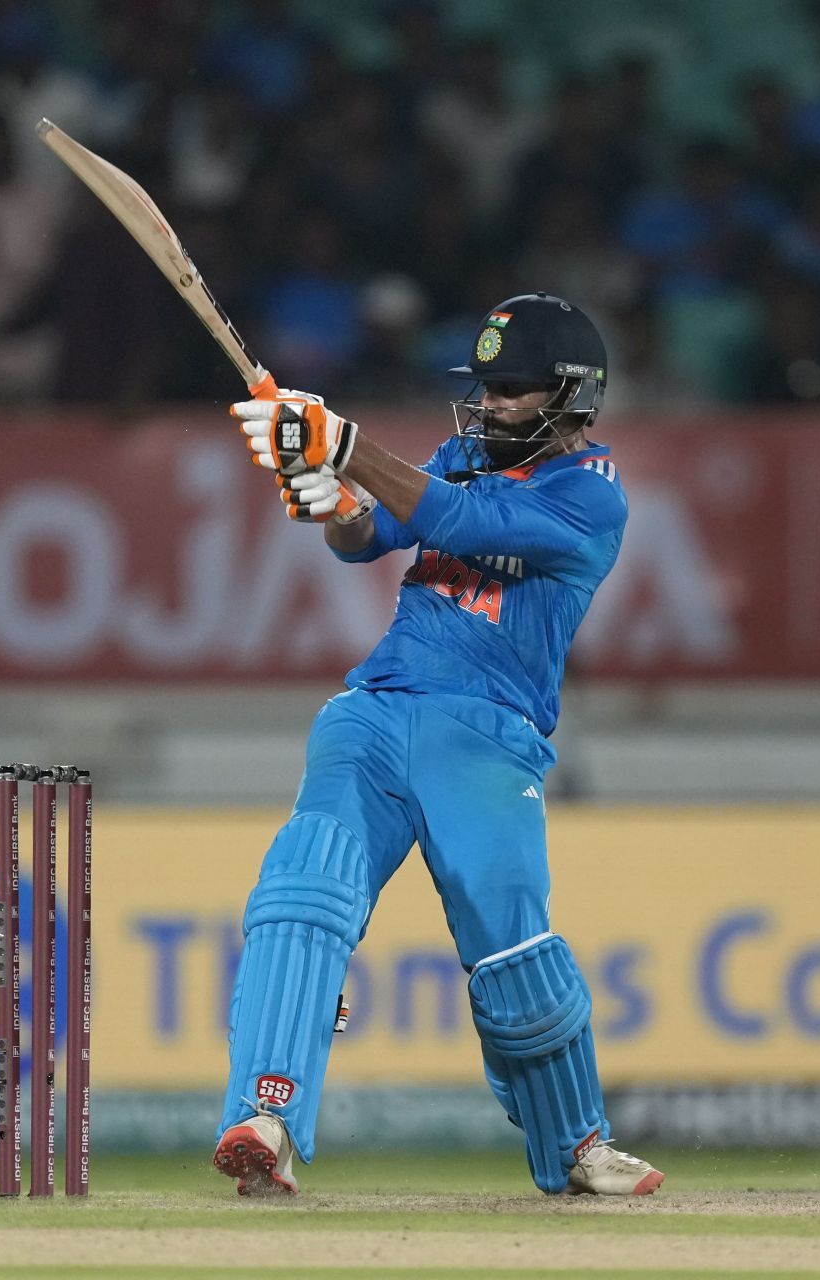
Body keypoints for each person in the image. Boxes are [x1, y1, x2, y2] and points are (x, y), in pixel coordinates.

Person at [214, 293, 661, 1198]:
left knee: (514, 960)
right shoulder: (462, 456)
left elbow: (465, 526)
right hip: (375, 712)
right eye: (486, 388)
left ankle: (577, 1146)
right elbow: (363, 537)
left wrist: (344, 448)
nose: (489, 406)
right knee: (301, 901)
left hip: (487, 742)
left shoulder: (591, 499)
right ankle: (266, 1118)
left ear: (572, 401)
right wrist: (327, 494)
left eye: (513, 390)